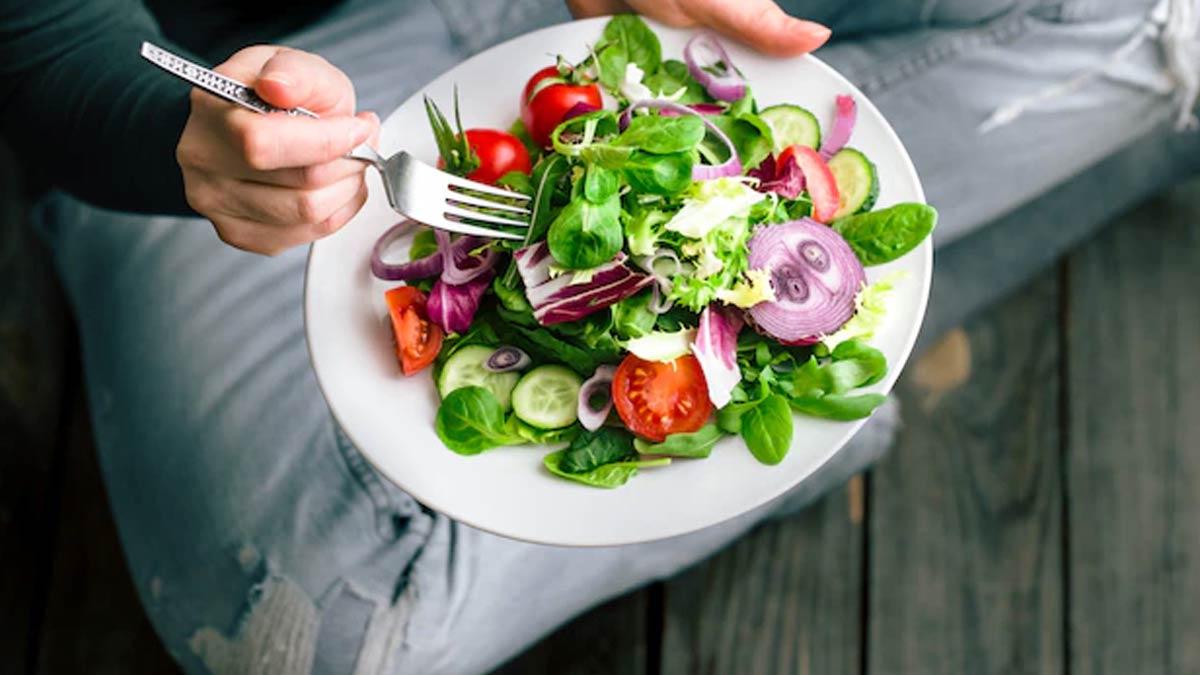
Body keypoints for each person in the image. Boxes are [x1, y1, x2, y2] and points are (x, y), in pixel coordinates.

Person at [4, 0, 1197, 672]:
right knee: (311, 641)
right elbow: (41, 44)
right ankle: (814, 390)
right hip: (238, 114)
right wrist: (181, 126)